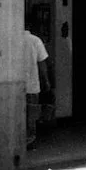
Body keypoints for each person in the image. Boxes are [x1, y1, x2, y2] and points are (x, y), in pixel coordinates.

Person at [23, 21, 51, 150]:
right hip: (32, 85)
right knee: (31, 116)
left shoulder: (11, 40)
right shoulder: (35, 40)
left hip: (15, 87)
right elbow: (42, 64)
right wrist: (46, 81)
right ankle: (30, 142)